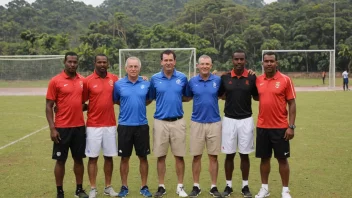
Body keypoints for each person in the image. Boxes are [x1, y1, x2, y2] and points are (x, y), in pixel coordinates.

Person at [45, 52, 88, 198]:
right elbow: (49, 106)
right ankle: (60, 192)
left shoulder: (83, 80)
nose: (72, 64)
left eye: (75, 62)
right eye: (69, 62)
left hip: (79, 127)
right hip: (62, 128)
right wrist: (52, 128)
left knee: (79, 159)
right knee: (60, 160)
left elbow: (83, 103)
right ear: (64, 62)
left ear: (78, 63)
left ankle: (79, 190)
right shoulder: (55, 81)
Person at [254, 52, 296, 198]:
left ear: (276, 63)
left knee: (282, 159)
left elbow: (292, 103)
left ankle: (285, 190)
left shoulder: (285, 80)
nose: (269, 64)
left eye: (272, 61)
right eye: (266, 61)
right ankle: (264, 189)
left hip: (280, 128)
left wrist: (291, 126)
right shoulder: (258, 80)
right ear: (263, 63)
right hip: (262, 126)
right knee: (264, 159)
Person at [218, 50, 259, 198]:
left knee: (244, 155)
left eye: (242, 59)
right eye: (236, 59)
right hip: (229, 120)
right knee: (229, 154)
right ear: (232, 60)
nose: (239, 62)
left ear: (245, 61)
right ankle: (228, 186)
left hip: (246, 120)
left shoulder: (252, 77)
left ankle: (245, 186)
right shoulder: (225, 77)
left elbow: (257, 96)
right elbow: (220, 95)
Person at [149, 50, 189, 198]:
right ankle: (161, 186)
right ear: (161, 62)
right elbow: (151, 97)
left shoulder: (182, 78)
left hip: (178, 121)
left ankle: (180, 186)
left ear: (175, 61)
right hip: (160, 122)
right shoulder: (154, 79)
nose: (168, 63)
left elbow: (186, 96)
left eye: (170, 60)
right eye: (165, 60)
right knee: (161, 156)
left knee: (179, 156)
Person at [113, 56, 153, 198]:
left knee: (143, 157)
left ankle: (144, 186)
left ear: (139, 68)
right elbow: (117, 100)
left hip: (142, 126)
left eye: (136, 66)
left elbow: (148, 99)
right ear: (126, 68)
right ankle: (124, 187)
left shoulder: (146, 83)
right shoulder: (118, 84)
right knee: (125, 158)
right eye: (131, 66)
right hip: (124, 126)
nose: (133, 69)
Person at [185, 55, 222, 198]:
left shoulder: (217, 80)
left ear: (211, 66)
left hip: (214, 122)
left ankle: (213, 187)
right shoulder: (192, 81)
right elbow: (187, 97)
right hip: (197, 123)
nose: (205, 66)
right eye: (202, 64)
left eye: (207, 64)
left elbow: (222, 95)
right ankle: (196, 186)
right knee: (196, 156)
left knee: (213, 157)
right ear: (197, 66)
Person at [82, 54, 119, 198]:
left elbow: (126, 87)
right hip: (93, 125)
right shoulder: (88, 81)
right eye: (99, 62)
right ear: (95, 63)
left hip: (110, 124)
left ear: (108, 63)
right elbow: (81, 102)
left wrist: (143, 78)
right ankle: (92, 188)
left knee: (109, 157)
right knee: (93, 158)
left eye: (104, 62)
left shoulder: (114, 79)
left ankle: (108, 187)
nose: (102, 64)